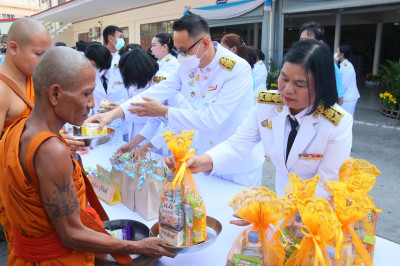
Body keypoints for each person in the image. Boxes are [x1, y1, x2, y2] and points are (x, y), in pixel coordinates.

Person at [0, 47, 176, 264]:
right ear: (55, 94)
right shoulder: (50, 150)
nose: (92, 103)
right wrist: (137, 246)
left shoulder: (16, 128)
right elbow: (71, 234)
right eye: (86, 93)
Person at [86, 13, 264, 187]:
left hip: (236, 164)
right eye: (177, 51)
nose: (181, 56)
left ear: (205, 43)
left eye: (184, 51)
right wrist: (114, 114)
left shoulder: (235, 69)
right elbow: (156, 92)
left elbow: (212, 118)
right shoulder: (189, 66)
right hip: (202, 157)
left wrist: (164, 112)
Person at [175, 39, 353, 200]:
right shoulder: (267, 105)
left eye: (300, 84)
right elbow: (238, 143)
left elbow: (327, 184)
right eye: (284, 78)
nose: (287, 90)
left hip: (316, 211)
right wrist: (204, 161)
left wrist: (275, 209)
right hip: (282, 199)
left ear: (321, 85)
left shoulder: (336, 123)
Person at [116, 48, 191, 157]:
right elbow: (153, 121)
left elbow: (178, 122)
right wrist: (131, 144)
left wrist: (146, 147)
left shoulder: (166, 82)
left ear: (140, 72)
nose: (133, 84)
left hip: (185, 136)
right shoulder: (148, 83)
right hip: (169, 138)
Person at [0, 17, 51, 136]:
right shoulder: (2, 89)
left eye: (46, 54)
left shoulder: (35, 78)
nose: (44, 60)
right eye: (38, 53)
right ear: (13, 48)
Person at [299, 21, 344, 106]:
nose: (302, 44)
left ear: (320, 43)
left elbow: (340, 100)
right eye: (301, 40)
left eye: (307, 40)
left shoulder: (330, 67)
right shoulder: (296, 64)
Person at [336, 45, 360, 117]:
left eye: (337, 52)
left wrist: (338, 96)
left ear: (342, 55)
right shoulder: (344, 65)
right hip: (346, 97)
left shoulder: (347, 67)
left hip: (348, 98)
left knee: (346, 120)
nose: (336, 54)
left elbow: (344, 85)